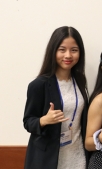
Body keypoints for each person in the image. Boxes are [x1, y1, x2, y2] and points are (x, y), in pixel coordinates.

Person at [23, 26, 90, 169]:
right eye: (62, 49)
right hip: (48, 159)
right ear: (53, 51)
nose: (68, 55)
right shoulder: (39, 84)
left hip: (77, 155)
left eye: (74, 50)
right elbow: (28, 121)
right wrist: (43, 120)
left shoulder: (80, 80)